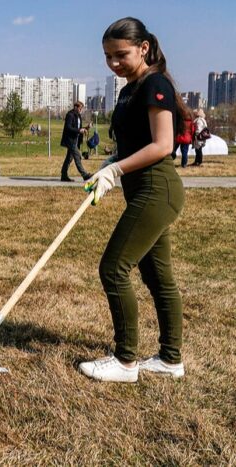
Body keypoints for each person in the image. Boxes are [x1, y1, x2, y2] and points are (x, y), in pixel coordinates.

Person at [78, 17, 187, 383]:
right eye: (107, 56)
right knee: (157, 276)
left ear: (143, 48)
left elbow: (163, 145)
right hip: (141, 189)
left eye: (120, 55)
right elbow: (134, 143)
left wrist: (115, 171)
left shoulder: (154, 83)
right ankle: (171, 360)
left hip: (158, 188)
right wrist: (110, 162)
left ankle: (125, 362)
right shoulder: (127, 89)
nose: (113, 63)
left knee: (113, 267)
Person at [60, 102, 92, 181]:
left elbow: (79, 128)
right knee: (77, 156)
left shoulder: (78, 116)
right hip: (70, 140)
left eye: (81, 109)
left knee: (69, 158)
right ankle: (84, 175)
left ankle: (63, 175)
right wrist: (79, 130)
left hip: (75, 140)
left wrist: (86, 128)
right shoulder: (70, 115)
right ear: (75, 107)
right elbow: (68, 127)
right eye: (80, 108)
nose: (81, 110)